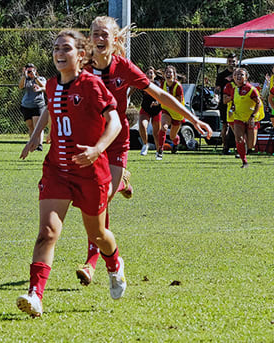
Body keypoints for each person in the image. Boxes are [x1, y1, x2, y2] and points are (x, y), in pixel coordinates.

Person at [75, 16, 212, 287]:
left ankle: (91, 263)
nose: (98, 38)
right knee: (95, 201)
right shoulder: (82, 66)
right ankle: (122, 180)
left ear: (115, 40)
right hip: (91, 141)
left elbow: (160, 96)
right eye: (94, 34)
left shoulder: (123, 67)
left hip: (115, 141)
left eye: (104, 34)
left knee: (100, 202)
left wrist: (193, 119)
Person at [16, 29, 125, 319]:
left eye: (66, 48)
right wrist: (35, 138)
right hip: (57, 171)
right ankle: (35, 296)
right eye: (55, 48)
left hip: (90, 172)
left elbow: (114, 122)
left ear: (81, 54)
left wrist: (98, 149)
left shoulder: (91, 85)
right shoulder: (51, 85)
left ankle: (114, 265)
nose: (59, 53)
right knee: (47, 234)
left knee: (98, 234)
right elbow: (50, 109)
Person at [224, 68, 261, 168]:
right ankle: (244, 161)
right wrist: (232, 110)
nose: (238, 76)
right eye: (236, 75)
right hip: (238, 117)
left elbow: (259, 103)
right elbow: (233, 103)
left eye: (241, 74)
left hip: (250, 118)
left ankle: (246, 151)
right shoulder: (234, 90)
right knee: (239, 139)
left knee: (251, 145)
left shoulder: (251, 89)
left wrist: (252, 116)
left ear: (246, 77)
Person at [156, 65, 185, 159]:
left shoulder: (178, 86)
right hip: (167, 109)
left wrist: (168, 98)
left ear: (174, 75)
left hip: (177, 112)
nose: (168, 74)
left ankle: (176, 143)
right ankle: (160, 150)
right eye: (167, 72)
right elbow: (160, 95)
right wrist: (157, 102)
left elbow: (178, 102)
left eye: (170, 72)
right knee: (164, 127)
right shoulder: (163, 84)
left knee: (173, 136)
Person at [19, 63, 47, 151]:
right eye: (29, 71)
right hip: (26, 105)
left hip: (38, 105)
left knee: (38, 126)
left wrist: (35, 78)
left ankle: (39, 144)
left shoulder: (41, 78)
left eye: (32, 70)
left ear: (35, 70)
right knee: (30, 126)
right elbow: (20, 86)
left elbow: (44, 87)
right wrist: (24, 75)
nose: (31, 72)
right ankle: (32, 143)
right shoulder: (25, 79)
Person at [215, 53, 238, 155]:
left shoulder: (240, 73)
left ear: (236, 62)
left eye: (233, 61)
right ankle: (225, 147)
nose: (232, 63)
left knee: (239, 125)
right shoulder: (221, 75)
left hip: (238, 103)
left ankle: (239, 147)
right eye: (230, 61)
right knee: (225, 125)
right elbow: (217, 89)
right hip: (225, 104)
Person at [138, 66, 161, 156]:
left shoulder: (157, 84)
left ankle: (158, 150)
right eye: (147, 73)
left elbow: (160, 96)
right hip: (145, 109)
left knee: (156, 133)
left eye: (151, 73)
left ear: (154, 75)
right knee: (142, 126)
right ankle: (145, 145)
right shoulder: (142, 83)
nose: (149, 74)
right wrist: (128, 95)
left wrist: (157, 102)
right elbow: (133, 86)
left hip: (156, 110)